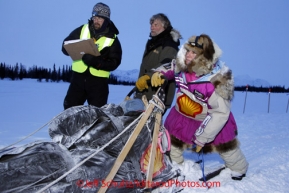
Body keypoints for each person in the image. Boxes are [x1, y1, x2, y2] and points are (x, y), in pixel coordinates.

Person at [150, 34, 249, 180]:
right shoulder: (183, 65)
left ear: (204, 56)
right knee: (172, 141)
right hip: (182, 115)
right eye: (187, 50)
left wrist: (203, 138)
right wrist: (157, 74)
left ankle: (239, 169)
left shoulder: (216, 80)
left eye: (194, 52)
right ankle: (175, 166)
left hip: (209, 119)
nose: (188, 55)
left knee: (226, 147)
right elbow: (171, 67)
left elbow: (220, 113)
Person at [61, 2, 122, 110]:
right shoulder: (82, 29)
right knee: (69, 110)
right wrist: (67, 48)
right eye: (94, 17)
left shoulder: (113, 39)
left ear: (106, 19)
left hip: (98, 83)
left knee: (97, 116)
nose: (96, 21)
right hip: (78, 79)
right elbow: (66, 44)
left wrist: (96, 62)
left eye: (99, 18)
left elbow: (114, 63)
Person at [135, 13, 182, 113]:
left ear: (164, 26)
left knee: (151, 126)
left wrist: (148, 76)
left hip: (158, 95)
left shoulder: (170, 44)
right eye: (151, 24)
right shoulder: (153, 43)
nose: (152, 27)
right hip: (144, 92)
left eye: (156, 25)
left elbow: (167, 64)